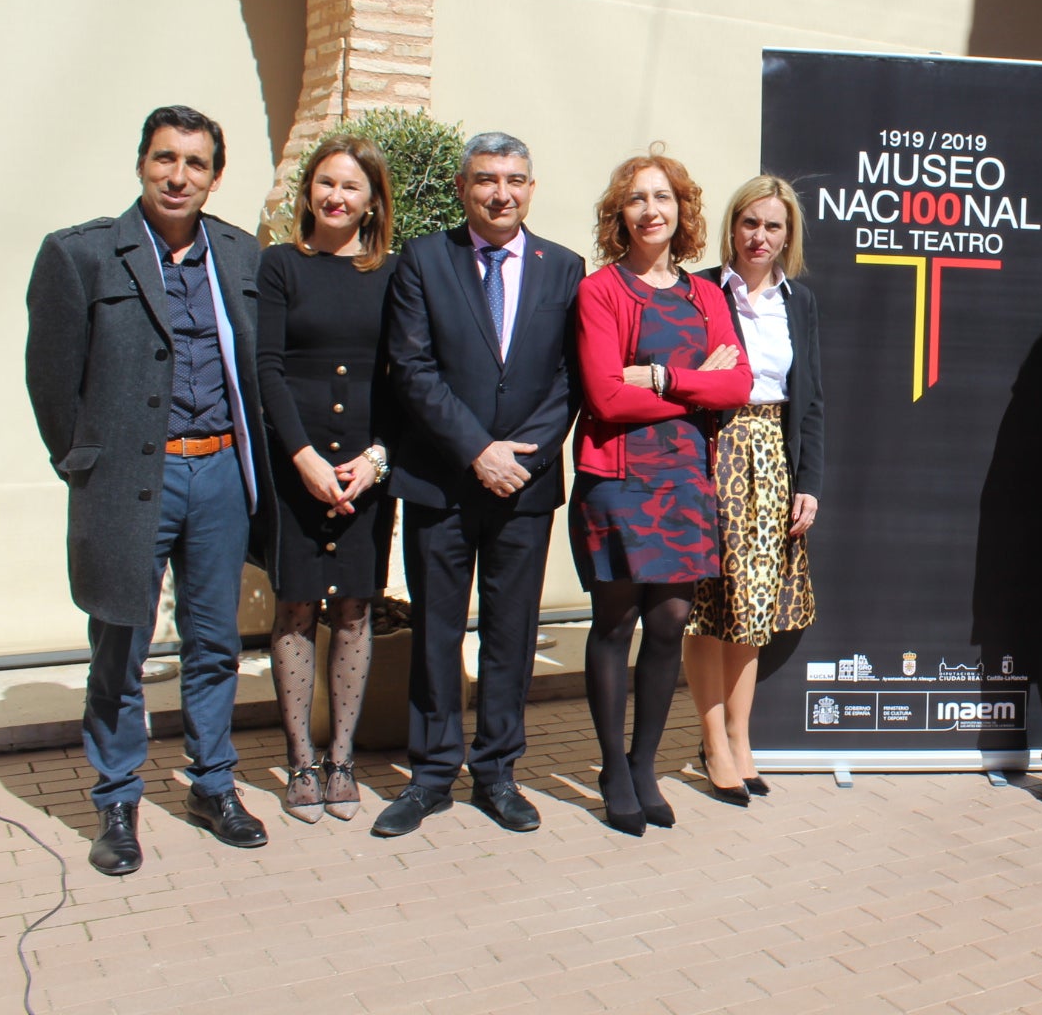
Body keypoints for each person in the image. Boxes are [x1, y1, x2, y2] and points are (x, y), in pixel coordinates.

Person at [26, 105, 273, 875]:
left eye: (195, 164)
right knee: (120, 642)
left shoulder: (240, 253)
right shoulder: (83, 254)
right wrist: (85, 463)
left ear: (215, 177)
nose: (178, 176)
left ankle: (213, 785)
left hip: (220, 471)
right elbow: (51, 379)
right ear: (142, 163)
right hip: (134, 477)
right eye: (165, 158)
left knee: (215, 642)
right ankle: (116, 798)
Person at [373, 132, 584, 838]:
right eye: (487, 179)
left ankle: (497, 771)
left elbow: (570, 376)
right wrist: (476, 451)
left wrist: (519, 457)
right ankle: (431, 775)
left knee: (511, 633)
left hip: (524, 485)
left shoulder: (564, 268)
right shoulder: (423, 260)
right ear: (464, 188)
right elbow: (412, 368)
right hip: (439, 481)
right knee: (436, 631)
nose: (502, 193)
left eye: (515, 180)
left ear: (531, 188)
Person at [572, 151, 750, 833]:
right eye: (638, 199)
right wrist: (697, 385)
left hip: (684, 482)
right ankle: (612, 769)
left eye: (664, 197)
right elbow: (605, 398)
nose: (652, 210)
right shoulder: (601, 291)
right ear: (620, 214)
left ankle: (644, 765)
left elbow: (738, 386)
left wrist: (661, 378)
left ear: (682, 210)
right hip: (618, 481)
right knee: (616, 625)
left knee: (670, 624)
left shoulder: (707, 296)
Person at [256, 135, 397, 823]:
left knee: (354, 610)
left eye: (351, 187)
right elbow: (267, 367)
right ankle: (300, 763)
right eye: (326, 183)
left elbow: (406, 374)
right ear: (308, 191)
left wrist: (378, 458)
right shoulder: (280, 265)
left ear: (372, 202)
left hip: (366, 470)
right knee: (295, 609)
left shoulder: (394, 272)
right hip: (299, 467)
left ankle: (341, 760)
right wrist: (303, 457)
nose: (336, 197)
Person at [687, 176, 824, 799]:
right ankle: (713, 741)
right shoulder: (700, 291)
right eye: (749, 223)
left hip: (772, 459)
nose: (759, 236)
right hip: (710, 453)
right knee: (706, 605)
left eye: (772, 225)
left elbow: (811, 400)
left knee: (752, 605)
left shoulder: (801, 302)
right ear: (732, 226)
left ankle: (740, 737)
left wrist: (808, 481)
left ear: (787, 234)